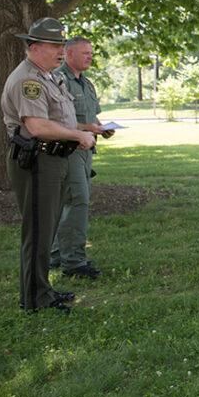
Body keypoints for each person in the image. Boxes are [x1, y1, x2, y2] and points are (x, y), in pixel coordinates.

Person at [1, 17, 96, 313]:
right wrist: (79, 135)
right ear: (34, 47)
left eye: (61, 46)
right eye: (54, 46)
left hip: (54, 159)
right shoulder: (28, 80)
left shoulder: (49, 77)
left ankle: (43, 290)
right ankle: (35, 299)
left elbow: (60, 119)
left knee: (47, 229)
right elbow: (39, 126)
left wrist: (82, 131)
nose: (60, 51)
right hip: (37, 161)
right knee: (38, 232)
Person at [50, 38, 115, 280]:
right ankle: (74, 263)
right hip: (68, 149)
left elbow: (91, 116)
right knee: (77, 201)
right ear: (69, 53)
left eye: (91, 53)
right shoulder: (58, 80)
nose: (90, 57)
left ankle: (56, 255)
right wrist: (87, 128)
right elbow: (55, 120)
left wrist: (101, 128)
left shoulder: (86, 83)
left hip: (87, 149)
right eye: (85, 53)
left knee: (69, 202)